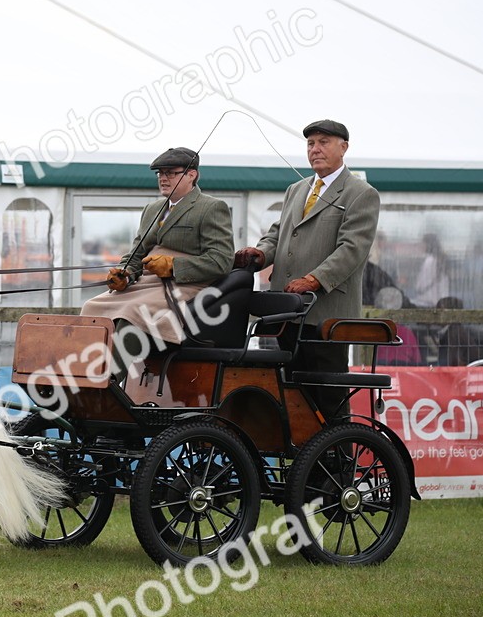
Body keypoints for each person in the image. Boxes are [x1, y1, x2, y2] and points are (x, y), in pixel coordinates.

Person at [234, 120, 380, 410]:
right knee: (293, 395)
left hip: (325, 314)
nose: (315, 149)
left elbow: (352, 250)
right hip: (286, 311)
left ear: (344, 147)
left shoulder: (360, 193)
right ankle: (302, 455)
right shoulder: (296, 190)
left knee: (328, 395)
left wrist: (314, 279)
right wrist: (261, 254)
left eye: (323, 142)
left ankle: (337, 455)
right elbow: (278, 233)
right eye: (310, 143)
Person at [81, 147, 234, 403]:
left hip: (187, 286)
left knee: (132, 312)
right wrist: (126, 273)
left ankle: (103, 386)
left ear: (191, 175)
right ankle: (82, 375)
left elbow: (221, 261)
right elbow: (136, 253)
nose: (163, 178)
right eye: (160, 174)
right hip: (148, 283)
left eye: (171, 173)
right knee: (93, 306)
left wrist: (173, 266)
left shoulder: (211, 207)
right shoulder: (152, 209)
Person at [412, 233, 450, 308]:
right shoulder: (441, 259)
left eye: (423, 244)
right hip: (441, 302)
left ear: (428, 244)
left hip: (427, 302)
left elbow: (419, 286)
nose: (421, 246)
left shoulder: (429, 260)